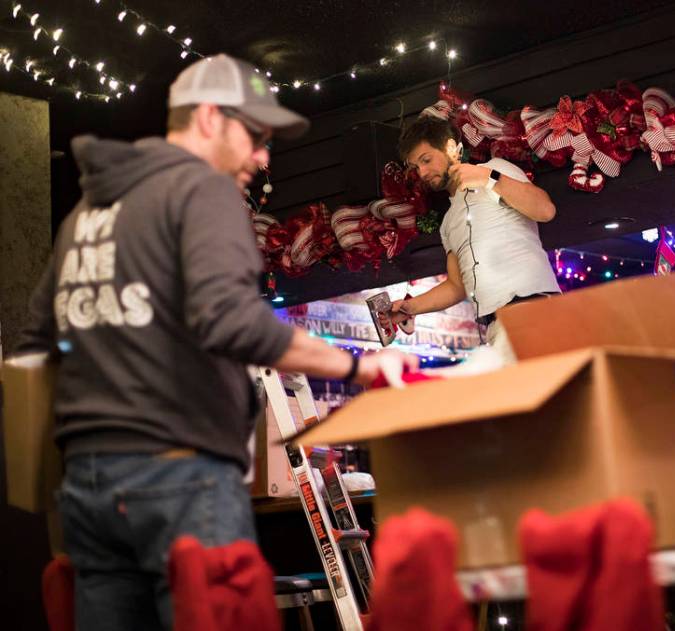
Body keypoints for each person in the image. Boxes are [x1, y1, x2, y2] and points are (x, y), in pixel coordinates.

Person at [14, 54, 416, 631]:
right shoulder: (202, 191)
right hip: (182, 479)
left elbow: (35, 344)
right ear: (206, 118)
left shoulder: (87, 214)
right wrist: (362, 369)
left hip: (88, 490)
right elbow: (232, 324)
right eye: (253, 135)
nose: (261, 156)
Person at [388, 115, 560, 351]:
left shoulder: (495, 169)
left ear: (450, 147)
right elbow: (457, 286)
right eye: (416, 167)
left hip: (533, 309)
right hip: (496, 328)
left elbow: (545, 210)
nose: (423, 172)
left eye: (426, 160)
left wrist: (488, 178)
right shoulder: (448, 223)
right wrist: (411, 307)